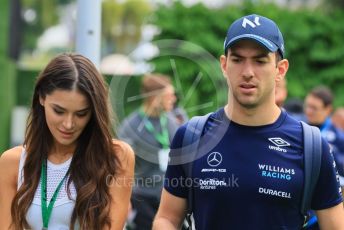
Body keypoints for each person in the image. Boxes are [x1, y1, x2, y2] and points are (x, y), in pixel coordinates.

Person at [153, 14, 344, 229]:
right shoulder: (192, 136)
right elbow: (167, 218)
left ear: (280, 70)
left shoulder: (312, 145)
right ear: (224, 65)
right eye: (237, 60)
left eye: (260, 61)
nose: (247, 72)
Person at [0, 53, 135, 229]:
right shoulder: (13, 162)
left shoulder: (116, 157)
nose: (68, 124)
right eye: (59, 111)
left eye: (81, 114)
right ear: (42, 98)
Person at [118, 73, 179, 230]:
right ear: (155, 98)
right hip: (141, 198)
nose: (173, 99)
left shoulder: (172, 123)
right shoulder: (130, 127)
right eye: (169, 96)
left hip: (168, 197)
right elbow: (120, 168)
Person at [304, 86, 344, 186]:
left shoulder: (338, 138)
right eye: (307, 106)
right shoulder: (298, 127)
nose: (308, 111)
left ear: (328, 110)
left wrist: (331, 151)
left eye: (314, 108)